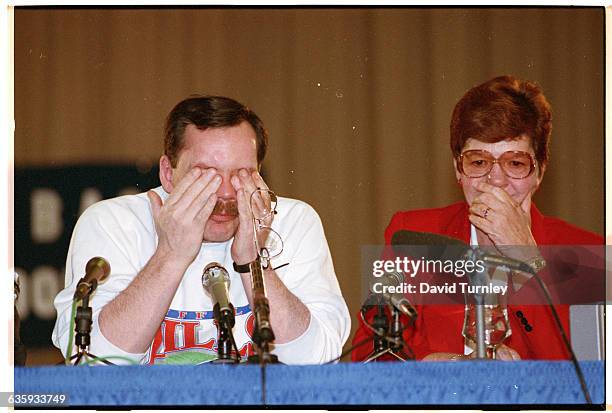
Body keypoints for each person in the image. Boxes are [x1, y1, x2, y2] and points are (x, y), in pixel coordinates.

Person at [52, 95, 350, 365]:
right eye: (206, 174)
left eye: (241, 174)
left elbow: (317, 362)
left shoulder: (293, 221)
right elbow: (96, 363)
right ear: (169, 174)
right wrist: (170, 254)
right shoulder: (113, 222)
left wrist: (253, 260)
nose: (224, 194)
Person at [352, 75, 603, 362]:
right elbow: (368, 353)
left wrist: (526, 258)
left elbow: (589, 375)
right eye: (479, 162)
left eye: (515, 163)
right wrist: (432, 365)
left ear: (540, 171)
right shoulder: (412, 233)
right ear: (458, 169)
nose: (495, 180)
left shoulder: (587, 251)